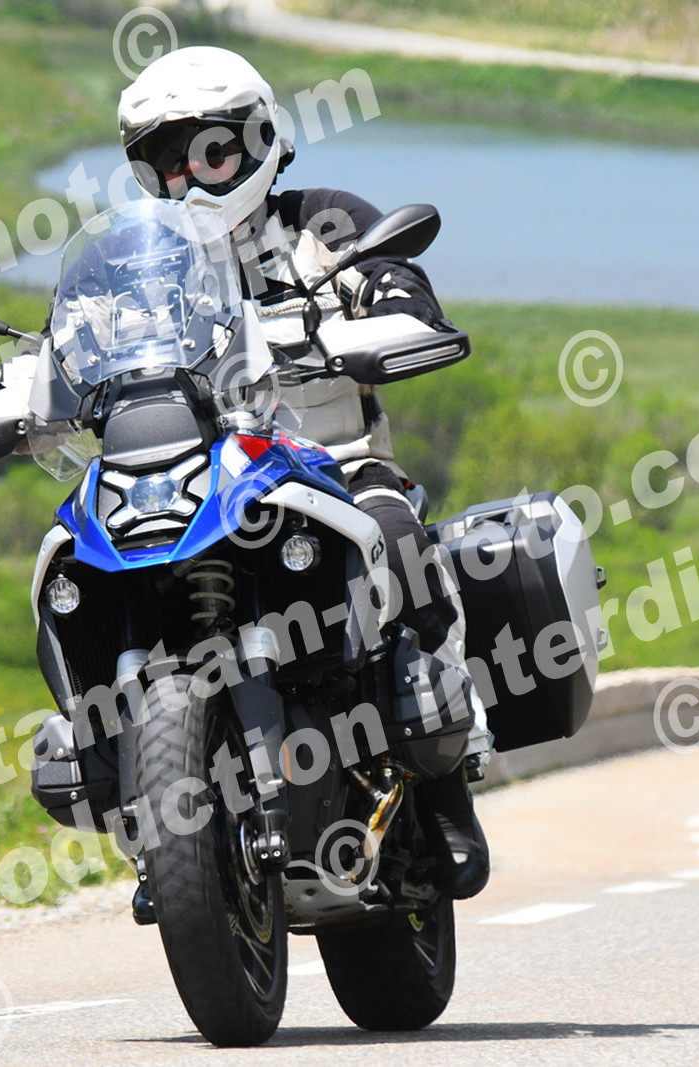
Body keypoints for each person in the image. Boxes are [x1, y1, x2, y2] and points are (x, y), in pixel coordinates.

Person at [117, 46, 491, 902]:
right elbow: (79, 338)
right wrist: (22, 383)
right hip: (199, 486)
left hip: (337, 469)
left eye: (212, 153)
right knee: (89, 567)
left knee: (395, 533)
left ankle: (444, 786)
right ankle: (156, 826)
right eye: (168, 163)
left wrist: (389, 313)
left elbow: (398, 284)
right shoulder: (143, 268)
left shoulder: (325, 223)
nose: (191, 179)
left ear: (258, 141)